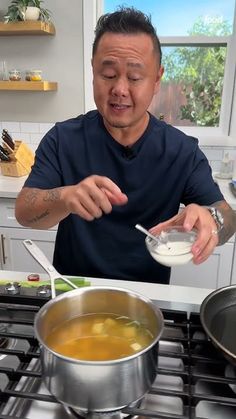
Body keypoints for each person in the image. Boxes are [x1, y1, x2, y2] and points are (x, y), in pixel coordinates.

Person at [15, 7, 236, 284]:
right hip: (75, 291)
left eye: (134, 78)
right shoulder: (63, 140)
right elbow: (24, 212)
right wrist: (65, 197)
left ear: (157, 79)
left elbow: (228, 216)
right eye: (108, 74)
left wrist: (211, 219)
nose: (120, 89)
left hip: (146, 297)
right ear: (93, 72)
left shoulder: (181, 151)